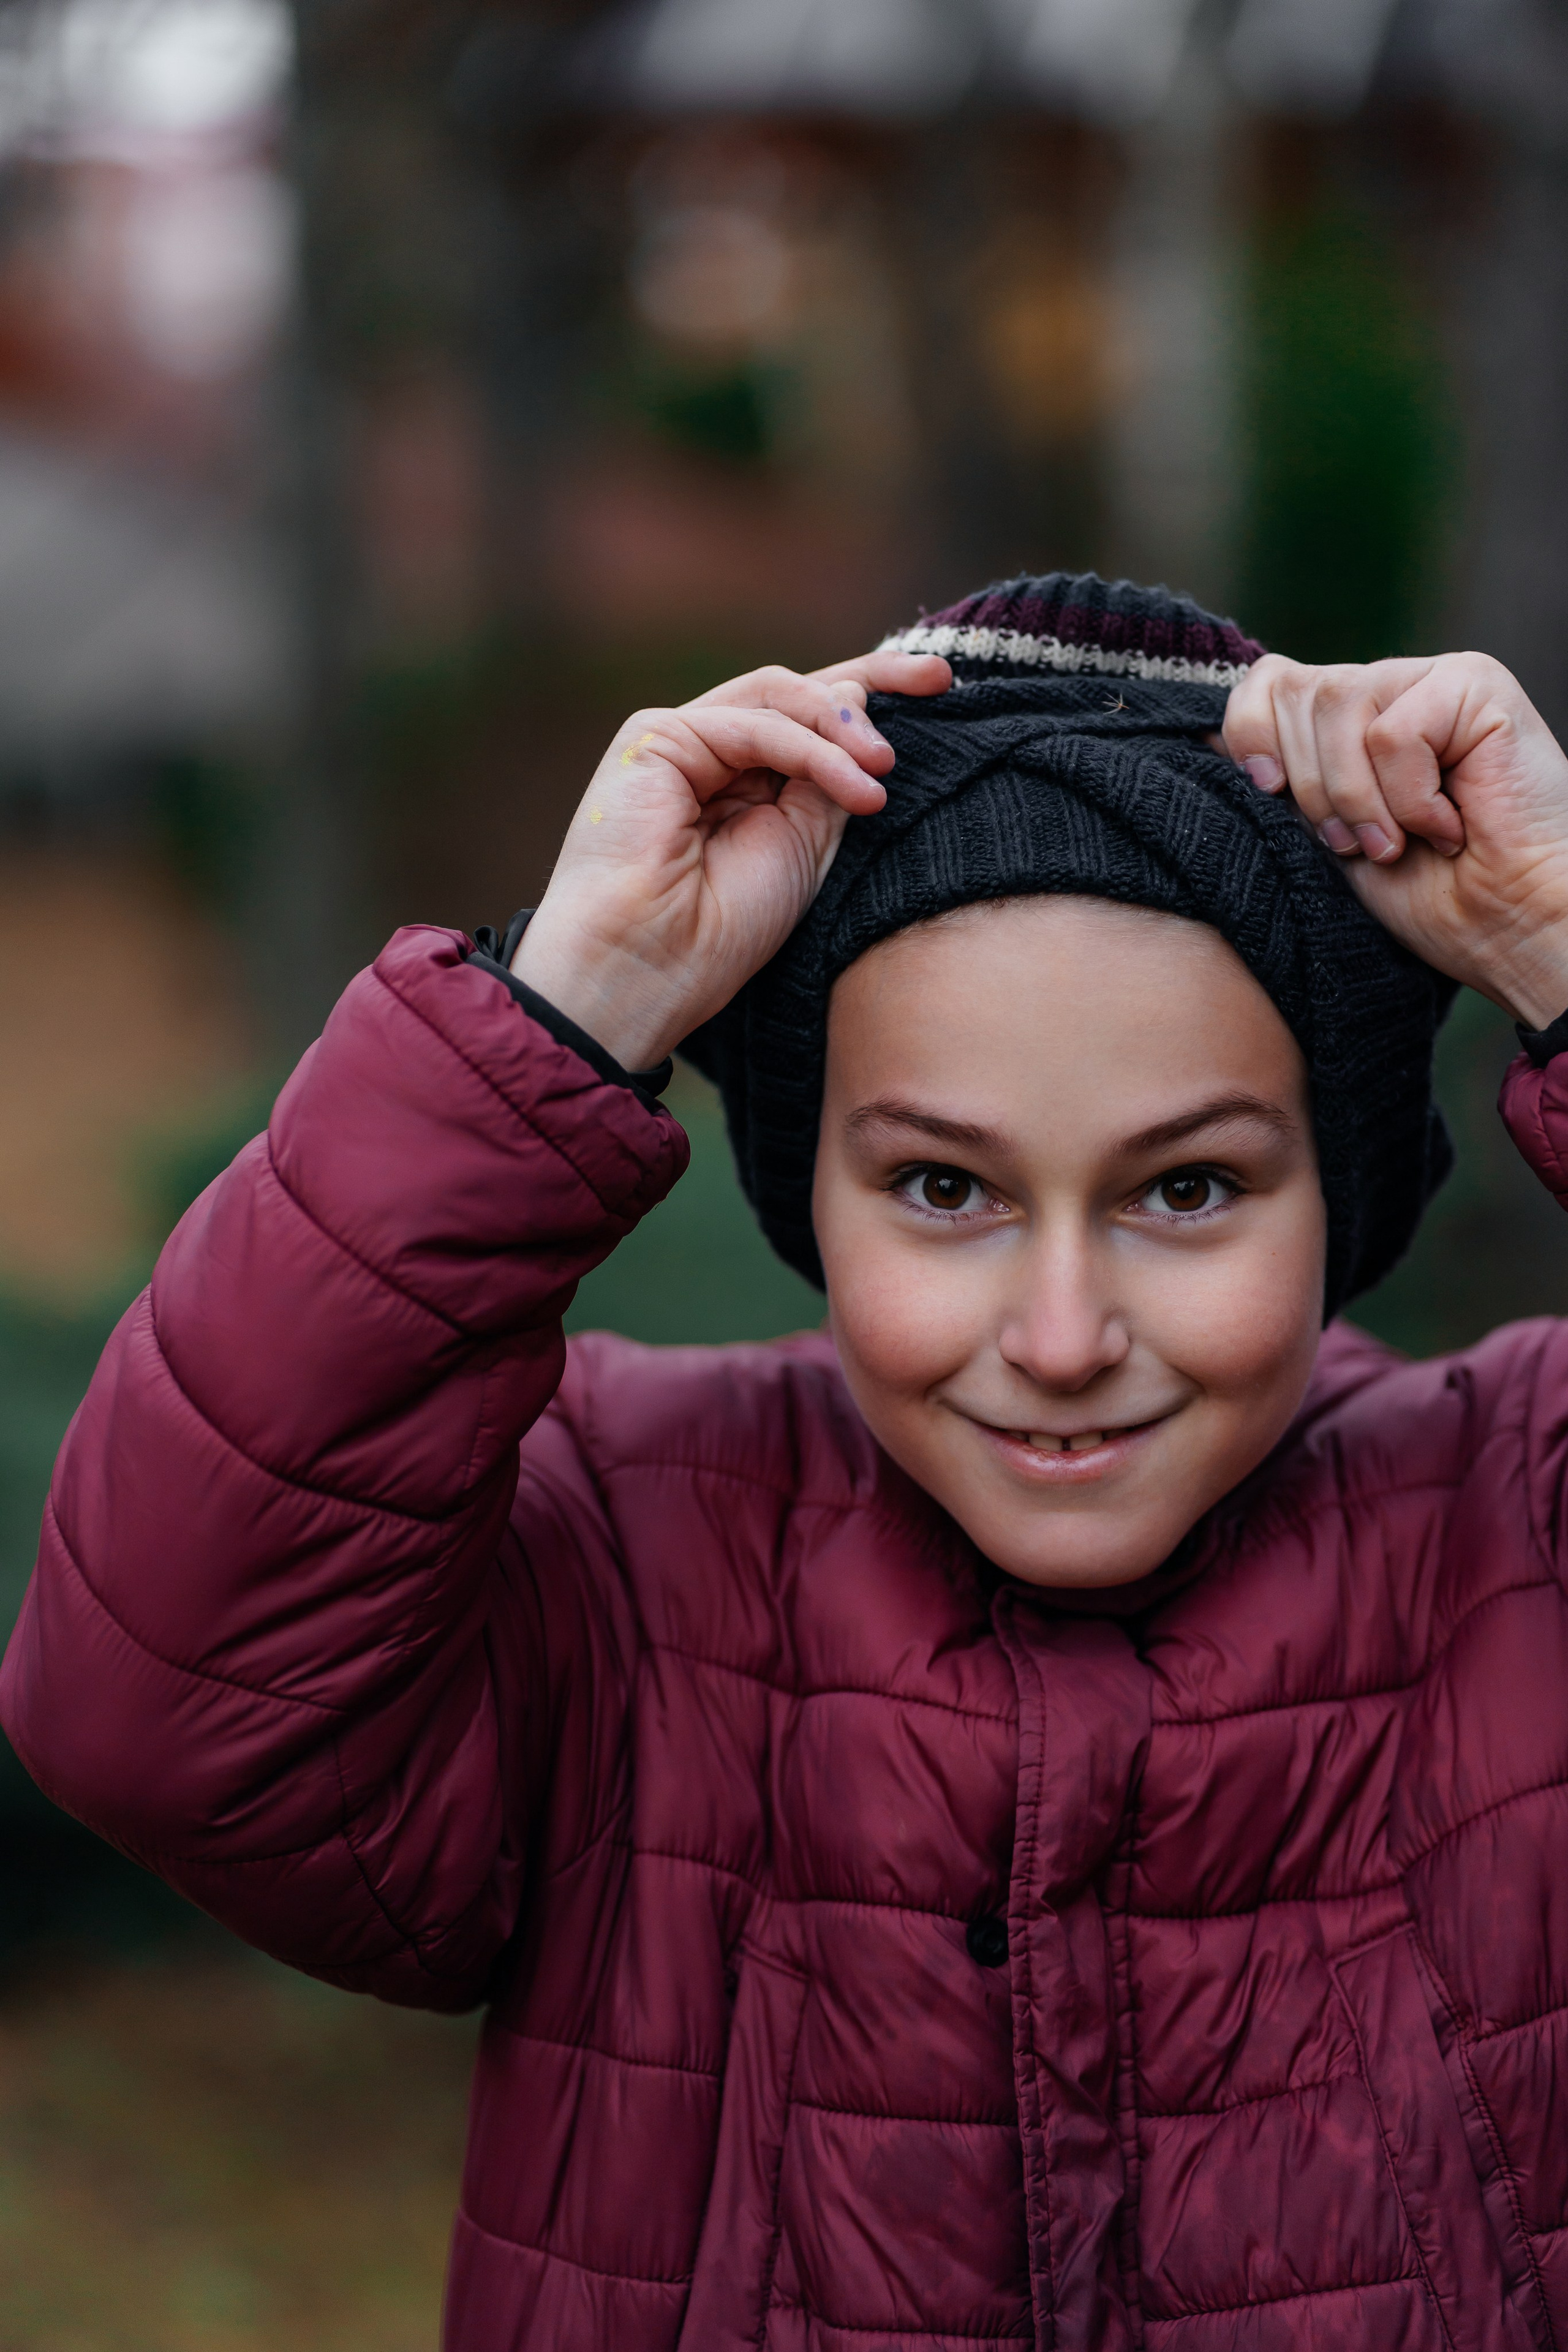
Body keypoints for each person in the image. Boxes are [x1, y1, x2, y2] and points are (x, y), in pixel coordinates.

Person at [5, 570, 1568, 2351]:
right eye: (943, 1187)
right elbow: (164, 1705)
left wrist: (1561, 938)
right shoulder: (613, 1549)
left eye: (1188, 1187)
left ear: (1335, 1193)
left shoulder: (1521, 1515)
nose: (1061, 1335)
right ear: (808, 1188)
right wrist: (565, 1003)